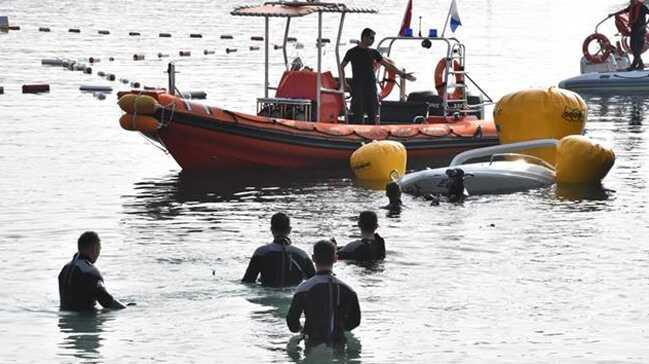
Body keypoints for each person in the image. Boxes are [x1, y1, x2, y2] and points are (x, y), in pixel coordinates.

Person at [286, 240, 361, 349]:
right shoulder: (348, 290)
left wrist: (301, 329)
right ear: (336, 259)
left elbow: (292, 322)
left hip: (312, 344)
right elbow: (355, 321)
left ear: (313, 258)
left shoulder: (302, 289)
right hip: (338, 344)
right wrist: (341, 328)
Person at [341, 28, 416, 124]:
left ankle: (373, 133)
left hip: (371, 86)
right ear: (364, 37)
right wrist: (344, 82)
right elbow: (341, 66)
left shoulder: (374, 52)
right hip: (358, 86)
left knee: (373, 113)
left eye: (373, 38)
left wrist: (402, 74)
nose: (373, 40)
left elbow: (387, 65)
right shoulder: (352, 52)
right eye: (371, 38)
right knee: (358, 115)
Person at [242, 212, 316, 287]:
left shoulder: (261, 253)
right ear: (289, 230)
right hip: (293, 296)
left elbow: (248, 281)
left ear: (271, 229)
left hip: (267, 295)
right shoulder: (302, 255)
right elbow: (315, 281)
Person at [58, 231, 126, 311]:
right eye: (99, 248)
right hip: (86, 320)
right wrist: (126, 308)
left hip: (64, 320)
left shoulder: (65, 269)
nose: (99, 253)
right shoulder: (89, 271)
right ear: (93, 249)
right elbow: (107, 301)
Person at [610, 0, 649, 70]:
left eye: (632, 1)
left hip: (640, 30)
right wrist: (613, 14)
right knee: (635, 48)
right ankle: (639, 65)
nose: (631, 1)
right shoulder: (631, 6)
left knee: (634, 47)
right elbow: (624, 11)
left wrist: (646, 24)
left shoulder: (642, 7)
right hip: (634, 30)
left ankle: (636, 65)